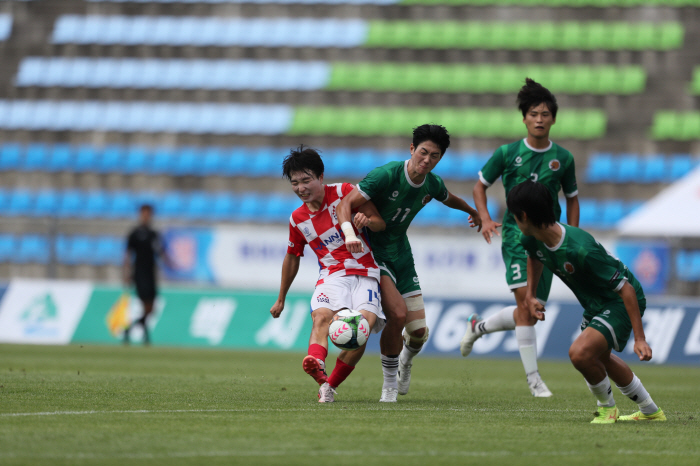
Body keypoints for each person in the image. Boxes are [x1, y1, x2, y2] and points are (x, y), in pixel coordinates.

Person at [337, 124, 481, 402]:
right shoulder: (386, 175)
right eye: (423, 152)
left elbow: (450, 198)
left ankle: (404, 361)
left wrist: (475, 213)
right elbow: (345, 204)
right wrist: (350, 233)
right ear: (412, 149)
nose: (427, 160)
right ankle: (389, 384)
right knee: (398, 315)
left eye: (435, 156)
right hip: (373, 254)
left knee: (418, 334)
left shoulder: (432, 183)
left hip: (401, 254)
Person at [460, 78, 580, 397]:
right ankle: (534, 379)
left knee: (531, 310)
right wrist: (485, 218)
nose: (539, 119)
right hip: (515, 236)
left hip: (548, 241)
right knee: (525, 305)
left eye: (544, 114)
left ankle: (479, 327)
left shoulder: (564, 159)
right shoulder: (507, 153)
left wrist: (573, 235)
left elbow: (572, 198)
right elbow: (479, 186)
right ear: (524, 118)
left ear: (553, 118)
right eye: (533, 113)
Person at [508, 180, 665, 423]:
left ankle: (607, 409)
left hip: (619, 300)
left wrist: (640, 338)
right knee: (599, 358)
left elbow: (626, 289)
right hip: (595, 303)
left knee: (580, 353)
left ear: (524, 215)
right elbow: (535, 258)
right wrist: (530, 296)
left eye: (514, 215)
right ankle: (650, 411)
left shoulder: (580, 248)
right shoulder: (531, 238)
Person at [269, 145, 387, 403]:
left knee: (361, 331)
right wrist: (281, 298)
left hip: (366, 272)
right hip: (332, 275)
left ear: (321, 177)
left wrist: (367, 222)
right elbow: (292, 257)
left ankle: (328, 386)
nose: (301, 188)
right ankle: (316, 362)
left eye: (306, 180)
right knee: (321, 317)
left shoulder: (345, 192)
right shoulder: (297, 219)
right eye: (295, 183)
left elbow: (380, 222)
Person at [123, 204, 170, 345]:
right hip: (139, 273)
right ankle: (145, 336)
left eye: (148, 214)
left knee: (151, 308)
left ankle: (130, 328)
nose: (146, 216)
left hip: (151, 273)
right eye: (144, 213)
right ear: (140, 214)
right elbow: (128, 254)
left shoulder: (154, 234)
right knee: (146, 305)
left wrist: (170, 265)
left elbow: (160, 252)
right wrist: (126, 273)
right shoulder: (134, 233)